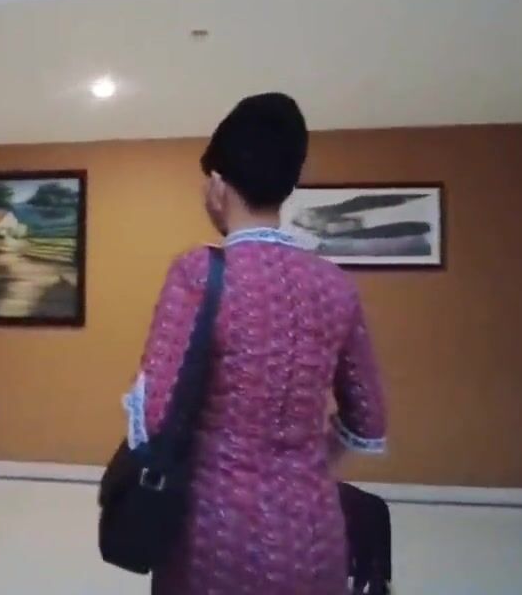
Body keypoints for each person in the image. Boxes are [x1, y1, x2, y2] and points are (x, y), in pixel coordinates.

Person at [123, 93, 387, 594]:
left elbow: (152, 418)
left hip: (211, 536)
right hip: (313, 535)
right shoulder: (334, 285)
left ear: (217, 185)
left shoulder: (197, 272)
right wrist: (302, 463)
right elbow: (368, 418)